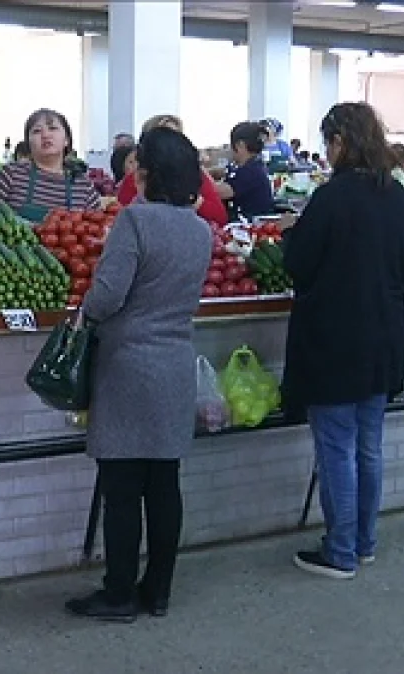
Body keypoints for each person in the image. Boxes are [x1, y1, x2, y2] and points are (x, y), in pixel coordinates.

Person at [64, 126, 213, 622]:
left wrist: (84, 310)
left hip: (129, 366)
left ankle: (119, 593)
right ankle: (159, 591)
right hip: (174, 365)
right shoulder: (199, 229)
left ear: (146, 172)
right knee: (164, 484)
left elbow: (107, 295)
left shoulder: (135, 222)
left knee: (122, 488)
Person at [280, 102, 404, 580]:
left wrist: (288, 237)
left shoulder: (332, 198)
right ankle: (363, 542)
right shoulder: (397, 196)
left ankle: (339, 552)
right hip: (383, 340)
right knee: (369, 447)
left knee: (336, 447)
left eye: (329, 142)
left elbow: (297, 264)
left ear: (340, 142)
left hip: (335, 342)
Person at [0, 108, 100, 222]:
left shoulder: (83, 186)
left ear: (66, 140)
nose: (46, 135)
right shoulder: (11, 175)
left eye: (53, 128)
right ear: (28, 142)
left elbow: (99, 229)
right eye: (37, 131)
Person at [116, 115, 228, 226]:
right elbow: (120, 217)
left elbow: (220, 217)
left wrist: (192, 199)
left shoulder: (195, 177)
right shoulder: (134, 180)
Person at [214, 122, 275, 221]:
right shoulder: (250, 165)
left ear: (240, 145)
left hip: (249, 224)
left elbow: (220, 192)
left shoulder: (252, 171)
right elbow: (224, 172)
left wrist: (197, 172)